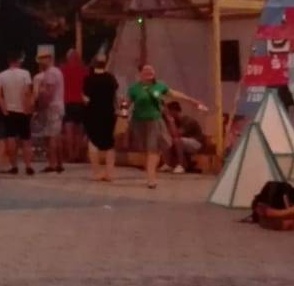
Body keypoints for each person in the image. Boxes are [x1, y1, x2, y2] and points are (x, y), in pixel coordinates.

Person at [127, 64, 210, 189]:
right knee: (146, 150)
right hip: (139, 122)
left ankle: (151, 179)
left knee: (153, 149)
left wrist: (193, 101)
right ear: (140, 74)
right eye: (146, 70)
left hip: (155, 121)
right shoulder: (134, 89)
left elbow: (176, 94)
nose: (149, 72)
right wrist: (123, 109)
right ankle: (150, 172)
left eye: (151, 70)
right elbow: (127, 103)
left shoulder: (159, 86)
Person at [82, 53, 120, 182]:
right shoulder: (110, 78)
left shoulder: (89, 79)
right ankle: (110, 172)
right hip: (108, 113)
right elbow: (115, 95)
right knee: (109, 143)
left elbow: (86, 98)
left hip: (92, 113)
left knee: (93, 141)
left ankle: (97, 172)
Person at [0, 51, 34, 174]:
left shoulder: (1, 75)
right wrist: (28, 107)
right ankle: (28, 166)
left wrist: (3, 108)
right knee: (26, 139)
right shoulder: (25, 73)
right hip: (22, 110)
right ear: (18, 61)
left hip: (9, 110)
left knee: (11, 138)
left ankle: (14, 166)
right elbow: (27, 92)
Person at [32, 49, 65, 173]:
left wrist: (40, 107)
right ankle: (59, 163)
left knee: (50, 137)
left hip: (52, 107)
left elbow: (49, 94)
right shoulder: (57, 71)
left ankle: (52, 164)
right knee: (56, 136)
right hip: (58, 106)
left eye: (43, 59)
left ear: (49, 59)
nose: (40, 62)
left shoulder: (50, 73)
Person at [60, 48, 88, 164]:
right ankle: (77, 154)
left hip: (67, 102)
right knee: (79, 131)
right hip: (81, 103)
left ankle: (70, 155)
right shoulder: (85, 71)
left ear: (68, 58)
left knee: (69, 130)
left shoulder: (62, 70)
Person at [163, 101, 207, 174]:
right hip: (185, 142)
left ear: (175, 111)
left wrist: (171, 121)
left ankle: (181, 166)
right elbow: (170, 134)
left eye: (169, 112)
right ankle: (168, 164)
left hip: (197, 143)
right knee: (166, 140)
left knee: (177, 140)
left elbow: (176, 134)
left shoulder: (188, 120)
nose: (168, 114)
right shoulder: (176, 121)